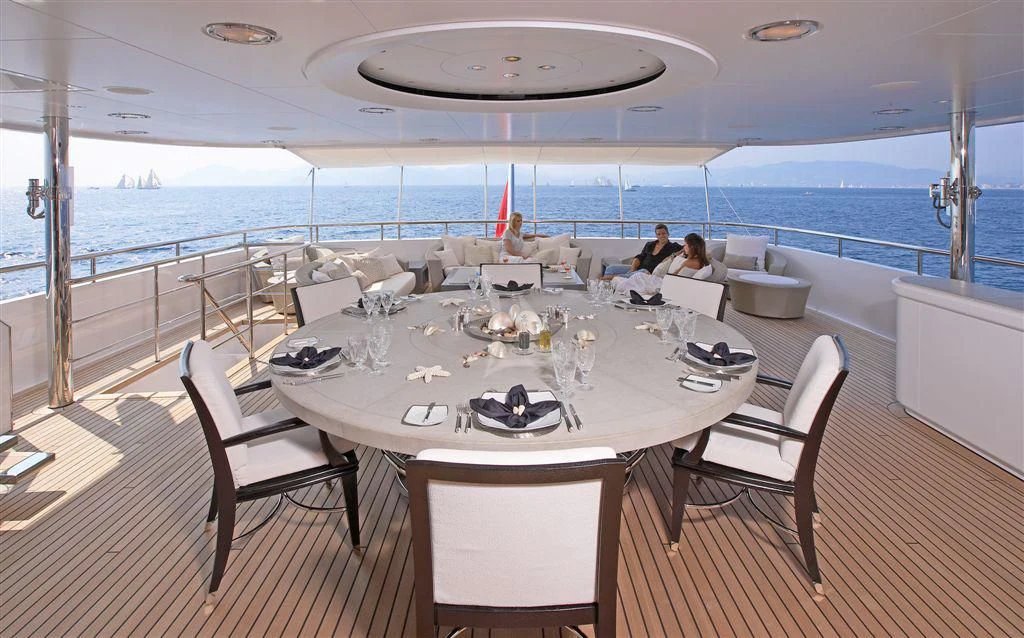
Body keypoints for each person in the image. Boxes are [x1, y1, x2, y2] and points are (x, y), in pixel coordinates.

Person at [610, 232, 713, 295]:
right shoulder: (700, 261)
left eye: (685, 245)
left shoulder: (689, 262)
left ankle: (615, 288)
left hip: (665, 284)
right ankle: (616, 285)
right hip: (666, 280)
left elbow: (673, 277)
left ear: (692, 247)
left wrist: (659, 277)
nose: (684, 247)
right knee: (639, 276)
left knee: (639, 277)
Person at [603, 223, 682, 279]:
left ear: (668, 234)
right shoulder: (650, 244)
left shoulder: (673, 246)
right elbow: (640, 257)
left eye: (664, 233)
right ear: (656, 235)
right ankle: (608, 287)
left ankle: (609, 278)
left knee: (639, 272)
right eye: (659, 234)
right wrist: (633, 268)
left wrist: (679, 253)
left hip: (647, 273)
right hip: (638, 268)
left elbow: (686, 247)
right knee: (611, 268)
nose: (662, 236)